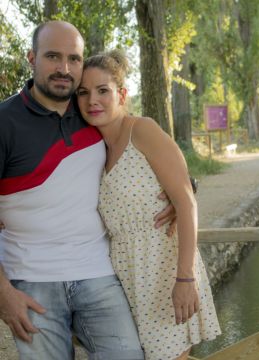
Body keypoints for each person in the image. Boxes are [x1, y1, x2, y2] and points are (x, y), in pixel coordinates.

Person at [0, 20, 176, 360]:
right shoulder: (4, 122)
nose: (64, 69)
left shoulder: (93, 113)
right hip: (32, 280)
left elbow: (148, 156)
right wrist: (3, 294)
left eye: (74, 59)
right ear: (31, 57)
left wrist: (182, 191)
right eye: (53, 57)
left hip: (98, 273)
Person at [77, 49, 221, 360]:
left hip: (164, 270)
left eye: (103, 90)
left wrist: (185, 278)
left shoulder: (142, 130)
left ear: (122, 94)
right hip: (123, 277)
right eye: (83, 93)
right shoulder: (93, 148)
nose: (92, 101)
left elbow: (185, 202)